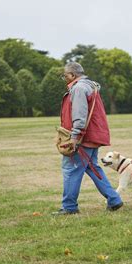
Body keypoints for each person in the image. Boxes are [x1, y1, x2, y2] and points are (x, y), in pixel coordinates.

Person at [52, 62, 123, 215]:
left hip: (83, 138)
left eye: (65, 75)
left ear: (72, 75)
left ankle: (69, 207)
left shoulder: (78, 88)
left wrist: (75, 137)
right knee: (92, 167)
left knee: (70, 170)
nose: (64, 78)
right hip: (92, 136)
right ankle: (114, 200)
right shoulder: (90, 86)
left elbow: (79, 115)